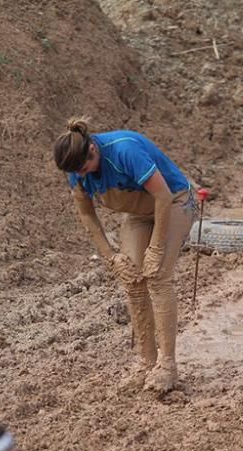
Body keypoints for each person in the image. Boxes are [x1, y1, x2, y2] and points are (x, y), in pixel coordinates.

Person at [53, 118, 196, 393]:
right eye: (76, 173)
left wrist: (155, 248)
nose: (82, 176)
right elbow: (86, 213)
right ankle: (146, 361)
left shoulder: (124, 151)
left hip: (175, 201)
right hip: (139, 212)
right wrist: (111, 257)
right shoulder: (76, 170)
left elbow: (163, 197)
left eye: (84, 168)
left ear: (93, 149)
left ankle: (167, 365)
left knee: (157, 276)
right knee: (132, 278)